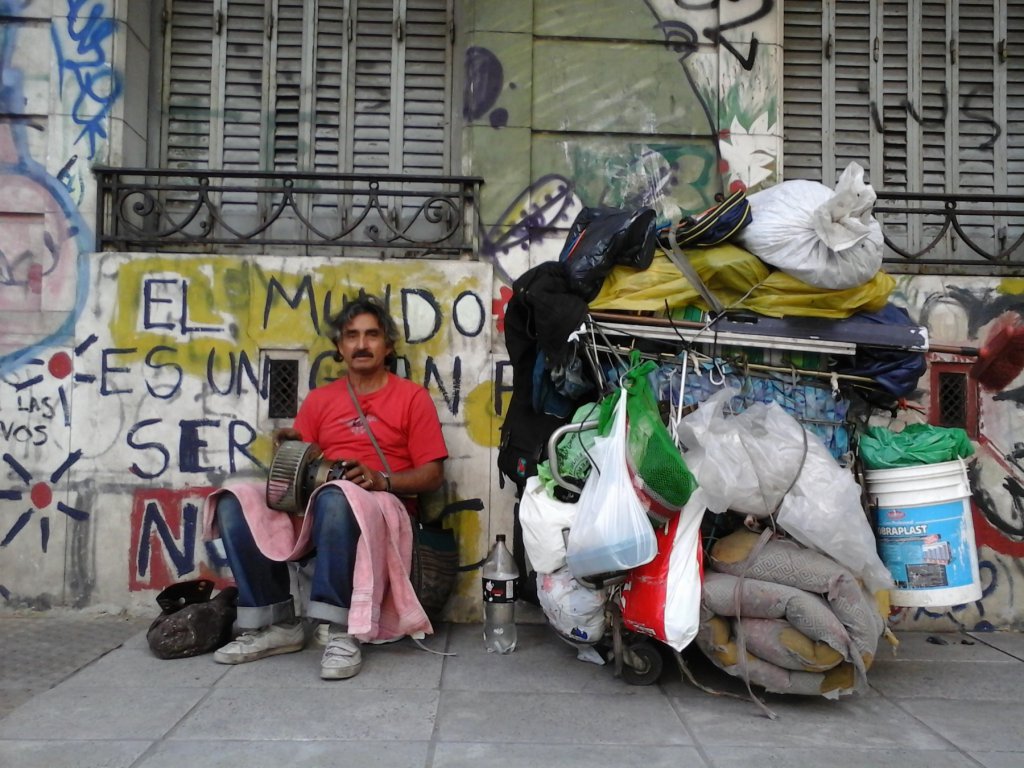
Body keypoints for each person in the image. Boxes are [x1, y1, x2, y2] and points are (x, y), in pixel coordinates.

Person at [203, 294, 448, 680]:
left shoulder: (411, 398)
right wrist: (289, 451)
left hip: (384, 505)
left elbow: (433, 475)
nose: (361, 344)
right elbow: (297, 472)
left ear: (388, 346)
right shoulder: (321, 400)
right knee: (236, 499)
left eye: (371, 335)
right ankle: (275, 624)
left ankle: (341, 629)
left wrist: (381, 479)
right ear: (340, 347)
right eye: (351, 336)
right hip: (322, 501)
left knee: (338, 496)